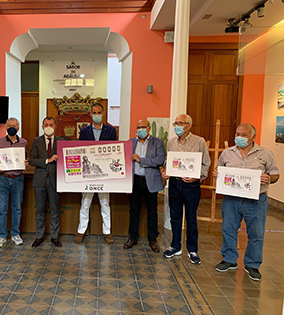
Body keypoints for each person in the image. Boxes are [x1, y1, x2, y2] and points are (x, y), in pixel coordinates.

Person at [213, 123, 279, 281]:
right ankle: (229, 259)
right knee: (228, 229)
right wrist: (217, 174)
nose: (239, 137)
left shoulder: (265, 153)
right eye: (237, 133)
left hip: (256, 200)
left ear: (253, 137)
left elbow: (275, 174)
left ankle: (252, 264)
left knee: (256, 234)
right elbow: (219, 169)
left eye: (244, 134)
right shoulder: (227, 153)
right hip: (231, 199)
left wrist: (269, 178)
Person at [161, 114, 211, 264]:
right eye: (175, 123)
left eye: (180, 123)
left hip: (191, 185)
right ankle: (175, 246)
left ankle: (192, 249)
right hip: (175, 184)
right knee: (175, 216)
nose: (177, 126)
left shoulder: (199, 141)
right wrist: (165, 171)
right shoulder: (171, 142)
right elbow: (167, 160)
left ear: (188, 125)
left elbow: (206, 163)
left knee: (191, 218)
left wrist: (198, 177)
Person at [74, 103, 117, 245]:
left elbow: (114, 151)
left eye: (99, 112)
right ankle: (81, 230)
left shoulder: (111, 130)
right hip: (88, 174)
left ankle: (107, 232)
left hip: (104, 174)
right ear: (90, 114)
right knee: (85, 203)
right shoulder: (84, 131)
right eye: (94, 112)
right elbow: (80, 150)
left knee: (105, 203)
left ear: (103, 113)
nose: (97, 115)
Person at [124, 119, 165, 252]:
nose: (140, 129)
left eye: (143, 127)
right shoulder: (130, 143)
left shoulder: (157, 142)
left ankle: (153, 240)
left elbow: (160, 160)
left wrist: (141, 160)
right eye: (138, 127)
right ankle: (133, 237)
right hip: (135, 180)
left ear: (148, 128)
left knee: (152, 211)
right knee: (134, 211)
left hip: (150, 181)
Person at [0, 117, 29, 247]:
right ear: (6, 127)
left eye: (14, 125)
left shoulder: (23, 142)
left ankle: (15, 233)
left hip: (17, 178)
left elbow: (27, 158)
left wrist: (26, 162)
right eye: (9, 125)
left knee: (17, 208)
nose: (12, 127)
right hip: (2, 178)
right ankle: (2, 235)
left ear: (18, 128)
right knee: (1, 208)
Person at [29, 117, 64, 247]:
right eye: (46, 125)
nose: (48, 127)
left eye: (51, 124)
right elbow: (32, 160)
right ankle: (39, 236)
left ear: (55, 126)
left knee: (55, 210)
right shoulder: (36, 141)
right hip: (39, 180)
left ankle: (54, 237)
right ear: (42, 126)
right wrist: (47, 161)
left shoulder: (61, 141)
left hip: (55, 180)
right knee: (40, 210)